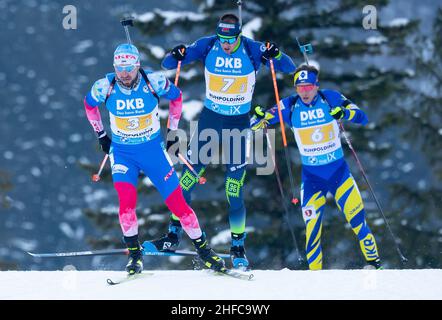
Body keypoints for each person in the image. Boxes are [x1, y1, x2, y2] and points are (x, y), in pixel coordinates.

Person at [153, 13, 296, 270]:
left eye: (230, 39)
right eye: (223, 39)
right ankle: (173, 236)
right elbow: (167, 62)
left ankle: (238, 247)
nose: (226, 44)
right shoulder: (208, 44)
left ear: (238, 35)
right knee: (186, 181)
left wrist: (276, 54)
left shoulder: (252, 49)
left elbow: (288, 67)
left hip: (238, 127)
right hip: (210, 123)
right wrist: (175, 54)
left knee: (234, 191)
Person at [83, 43, 226, 275]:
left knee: (179, 205)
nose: (124, 73)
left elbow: (177, 98)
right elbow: (89, 105)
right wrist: (101, 135)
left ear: (137, 65)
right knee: (126, 206)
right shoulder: (104, 86)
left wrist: (172, 132)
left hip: (153, 152)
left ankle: (205, 251)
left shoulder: (154, 82)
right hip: (122, 154)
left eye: (129, 67)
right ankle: (135, 256)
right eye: (120, 68)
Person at [250, 64, 382, 270]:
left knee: (358, 222)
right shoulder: (290, 105)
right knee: (312, 231)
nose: (304, 92)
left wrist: (344, 114)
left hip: (339, 174)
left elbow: (362, 117)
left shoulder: (331, 98)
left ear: (316, 86)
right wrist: (259, 117)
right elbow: (257, 123)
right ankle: (315, 278)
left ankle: (375, 264)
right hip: (312, 179)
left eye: (308, 87)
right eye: (299, 87)